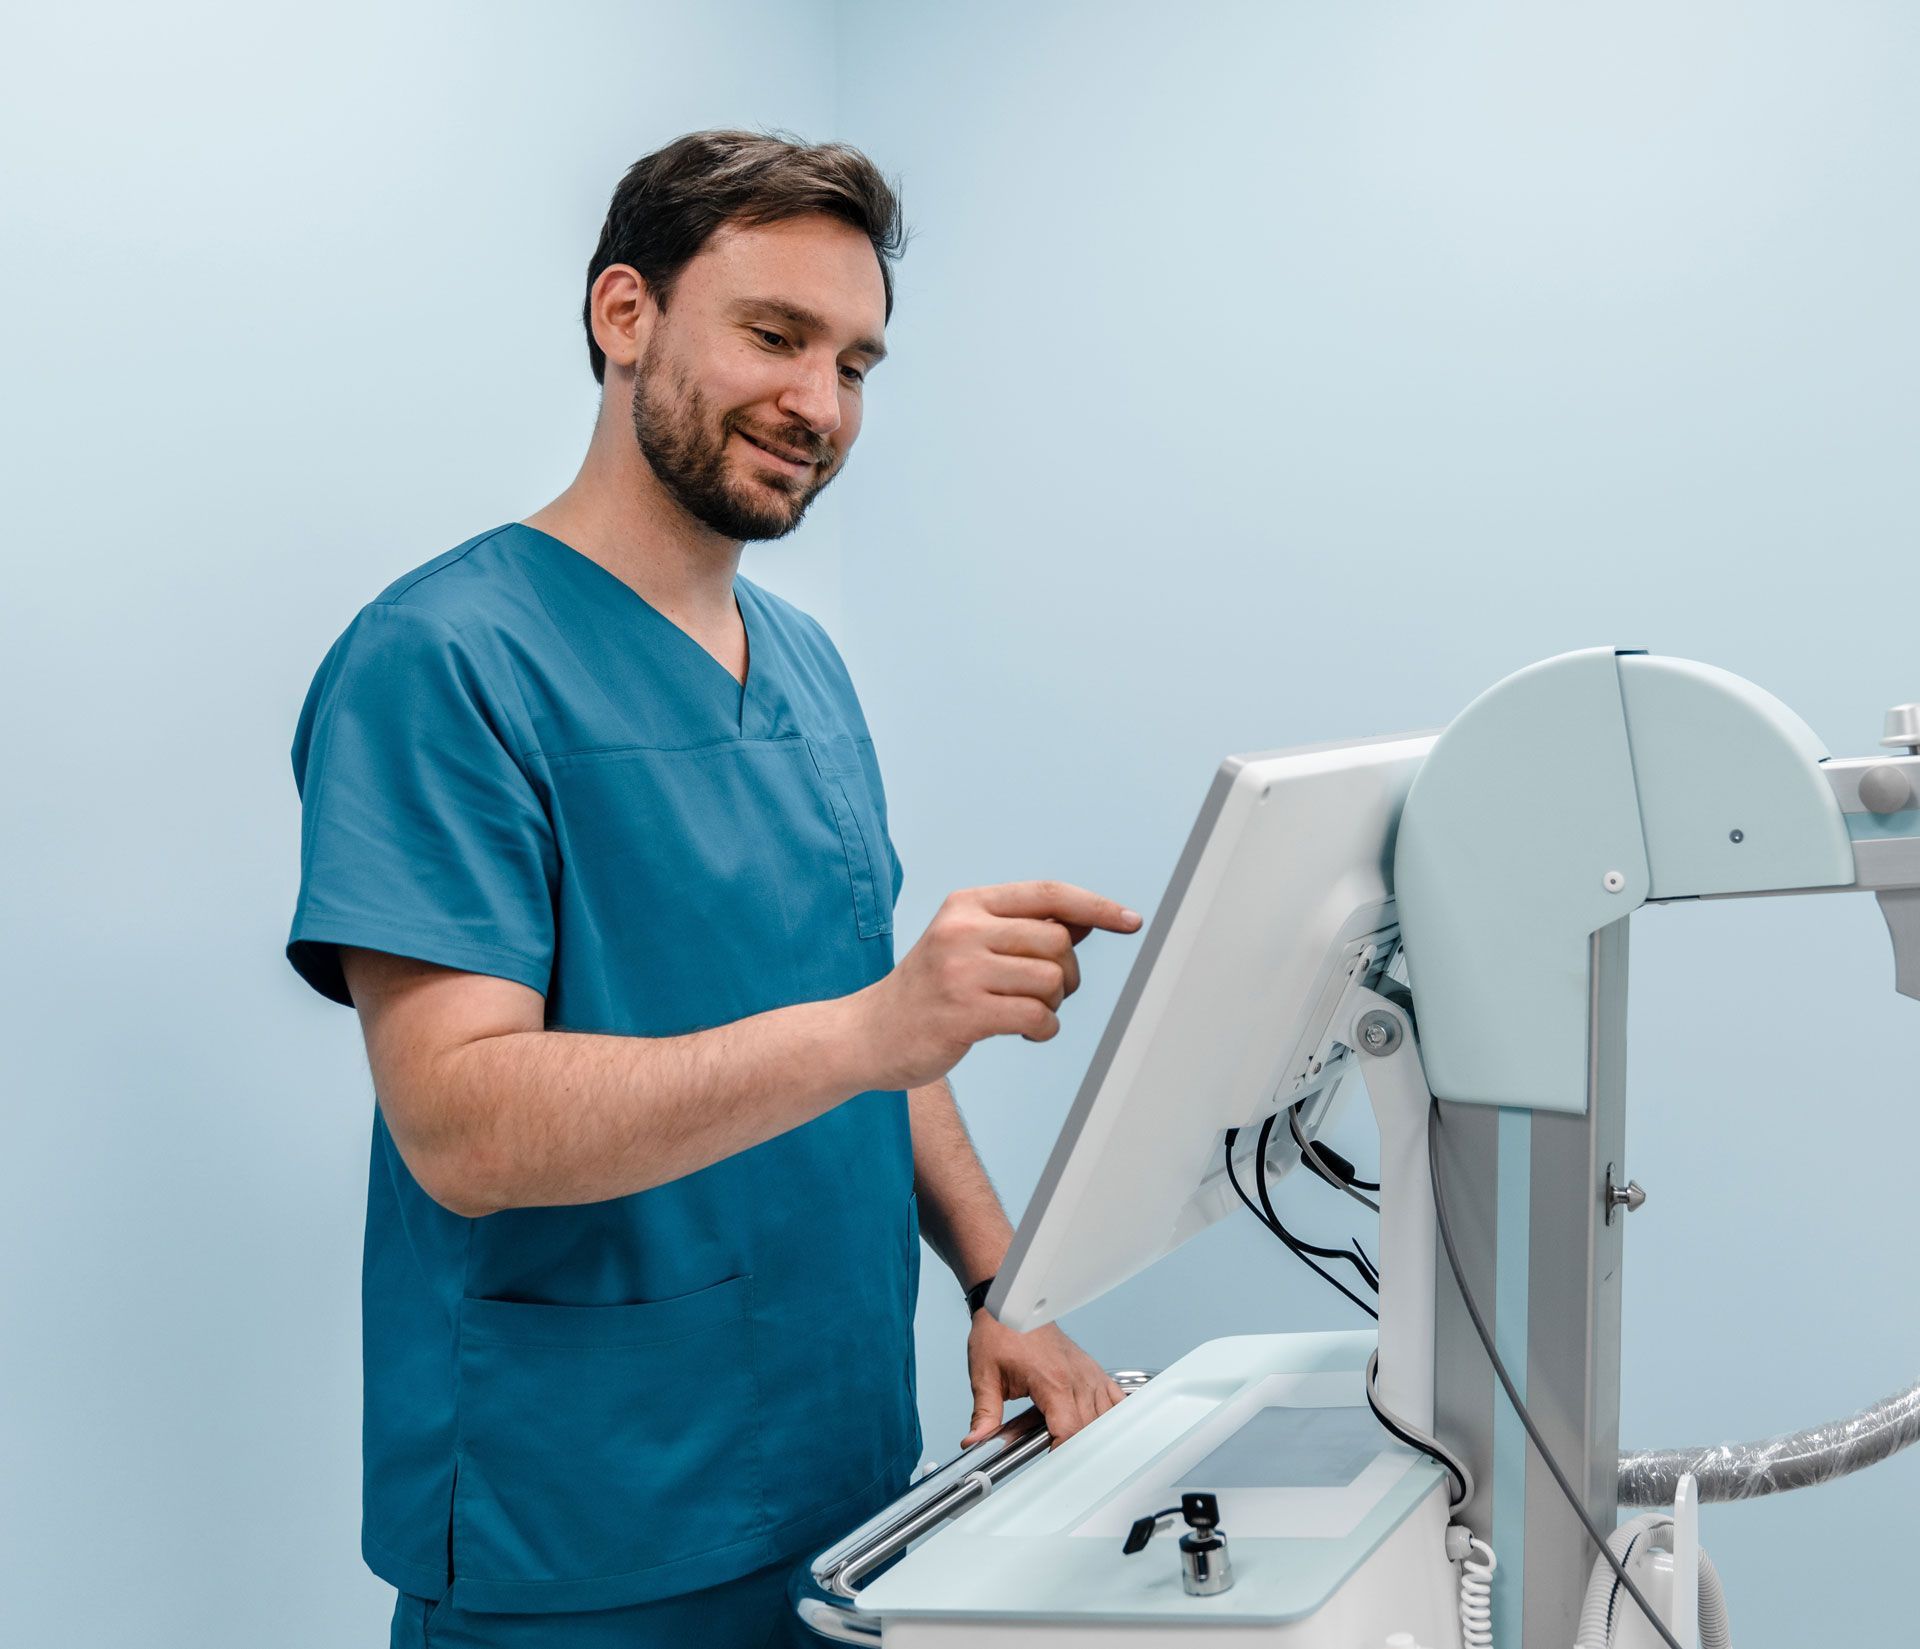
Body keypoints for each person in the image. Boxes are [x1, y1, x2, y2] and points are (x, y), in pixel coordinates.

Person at [286, 130, 1140, 1648]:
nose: (820, 405)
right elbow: (462, 1124)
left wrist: (1006, 1273)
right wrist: (882, 1027)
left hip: (850, 1488)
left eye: (858, 363)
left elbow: (877, 1021)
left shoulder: (806, 664)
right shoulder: (441, 663)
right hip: (585, 1524)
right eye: (775, 336)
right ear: (627, 316)